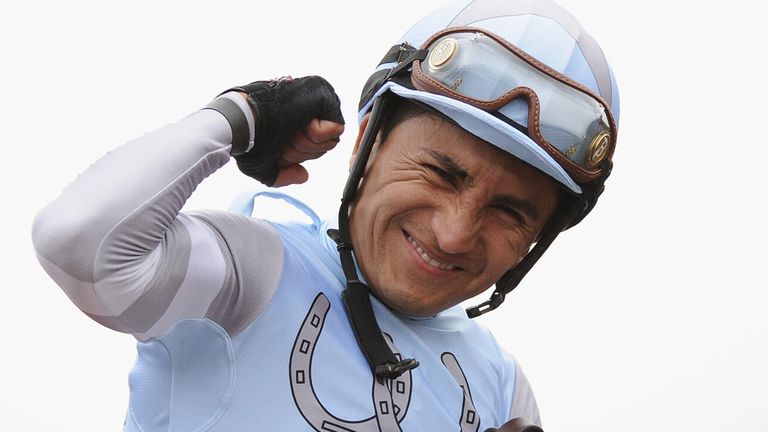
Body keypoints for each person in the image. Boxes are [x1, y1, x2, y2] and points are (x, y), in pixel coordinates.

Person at [31, 0, 619, 430]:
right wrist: (237, 118)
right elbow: (78, 243)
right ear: (369, 137)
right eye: (441, 173)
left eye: (510, 211)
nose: (453, 232)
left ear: (537, 239)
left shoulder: (503, 390)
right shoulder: (250, 275)